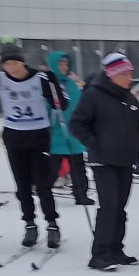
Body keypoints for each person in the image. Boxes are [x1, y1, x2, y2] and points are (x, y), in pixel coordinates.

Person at [69, 53, 139, 271]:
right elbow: (76, 124)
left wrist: (137, 144)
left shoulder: (129, 98)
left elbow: (136, 126)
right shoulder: (93, 95)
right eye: (125, 73)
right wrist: (95, 144)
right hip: (103, 161)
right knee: (109, 207)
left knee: (120, 208)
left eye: (130, 73)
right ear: (112, 74)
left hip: (125, 160)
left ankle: (116, 250)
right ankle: (99, 254)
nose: (129, 77)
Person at [0, 45, 66, 249]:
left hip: (39, 136)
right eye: (7, 64)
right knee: (22, 187)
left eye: (15, 63)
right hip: (14, 137)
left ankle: (52, 225)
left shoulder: (40, 78)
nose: (11, 68)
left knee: (43, 185)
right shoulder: (0, 80)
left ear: (23, 62)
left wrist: (54, 83)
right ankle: (30, 224)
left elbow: (61, 104)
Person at [47, 51, 92, 206]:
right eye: (60, 64)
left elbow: (79, 105)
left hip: (72, 133)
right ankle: (44, 192)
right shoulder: (47, 84)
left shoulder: (72, 85)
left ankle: (81, 194)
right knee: (52, 168)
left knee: (78, 167)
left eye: (66, 64)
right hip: (55, 133)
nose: (64, 67)